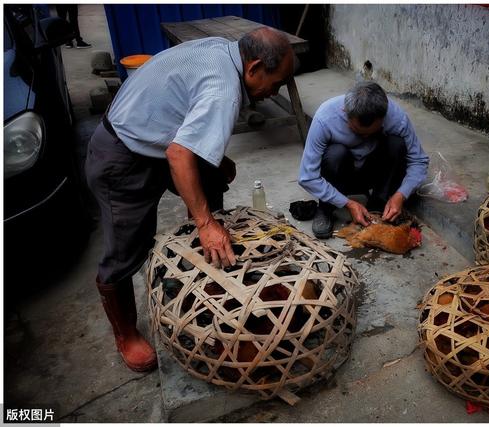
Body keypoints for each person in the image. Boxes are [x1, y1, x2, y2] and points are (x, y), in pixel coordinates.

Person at [85, 28, 295, 372]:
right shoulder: (225, 91)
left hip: (151, 136)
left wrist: (212, 157)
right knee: (127, 249)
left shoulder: (223, 50)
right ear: (254, 67)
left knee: (215, 174)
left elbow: (186, 121)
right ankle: (125, 334)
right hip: (122, 156)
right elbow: (180, 153)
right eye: (276, 81)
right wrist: (205, 222)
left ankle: (208, 262)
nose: (275, 91)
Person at [298, 81, 429, 238]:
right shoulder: (325, 118)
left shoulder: (396, 118)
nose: (364, 138)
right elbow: (307, 177)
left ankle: (378, 202)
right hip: (341, 175)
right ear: (345, 111)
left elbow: (419, 161)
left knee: (396, 143)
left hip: (373, 173)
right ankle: (326, 207)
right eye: (357, 132)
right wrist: (348, 203)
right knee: (335, 153)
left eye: (371, 133)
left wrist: (401, 194)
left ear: (384, 117)